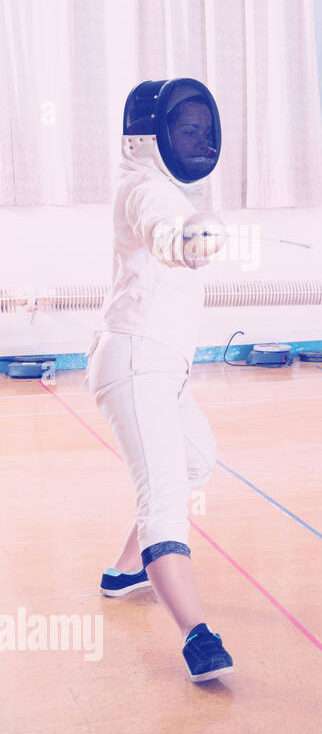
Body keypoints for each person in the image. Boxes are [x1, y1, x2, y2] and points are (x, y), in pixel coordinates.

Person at [91, 78, 233, 682]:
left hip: (159, 367)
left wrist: (190, 233)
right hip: (133, 362)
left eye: (204, 131)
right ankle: (197, 636)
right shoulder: (148, 190)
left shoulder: (168, 190)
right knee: (166, 499)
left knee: (199, 460)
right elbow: (164, 235)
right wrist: (186, 241)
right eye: (186, 130)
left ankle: (126, 572)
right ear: (152, 136)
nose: (198, 141)